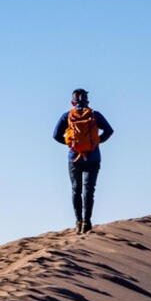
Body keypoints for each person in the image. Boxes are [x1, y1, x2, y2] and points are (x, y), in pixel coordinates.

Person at [52, 89, 115, 234]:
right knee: (89, 190)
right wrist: (96, 142)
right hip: (93, 158)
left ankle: (78, 221)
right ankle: (87, 222)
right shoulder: (94, 115)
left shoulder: (67, 116)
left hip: (74, 158)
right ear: (87, 101)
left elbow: (55, 135)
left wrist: (71, 145)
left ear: (72, 102)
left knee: (76, 189)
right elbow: (109, 131)